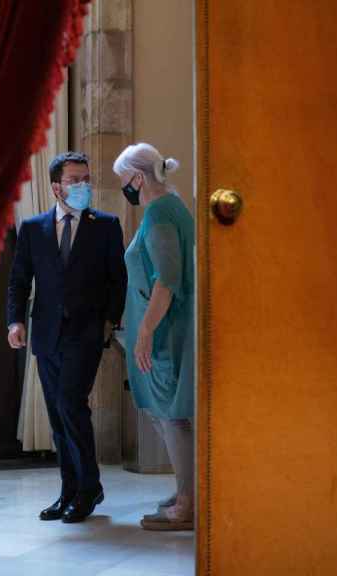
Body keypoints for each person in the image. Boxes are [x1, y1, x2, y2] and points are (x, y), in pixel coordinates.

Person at [7, 151, 127, 523]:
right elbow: (19, 281)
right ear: (56, 187)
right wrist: (15, 322)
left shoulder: (105, 225)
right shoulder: (33, 228)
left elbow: (117, 280)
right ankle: (69, 491)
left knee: (71, 405)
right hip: (46, 335)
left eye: (86, 179)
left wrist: (109, 322)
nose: (83, 186)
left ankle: (88, 489)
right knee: (59, 416)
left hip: (85, 334)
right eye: (75, 180)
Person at [113, 143, 196, 531]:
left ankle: (187, 504)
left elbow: (167, 278)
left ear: (138, 178)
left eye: (124, 181)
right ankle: (187, 490)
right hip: (163, 325)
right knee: (167, 415)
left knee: (172, 415)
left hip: (165, 329)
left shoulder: (161, 212)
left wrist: (145, 331)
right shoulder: (169, 206)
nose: (124, 189)